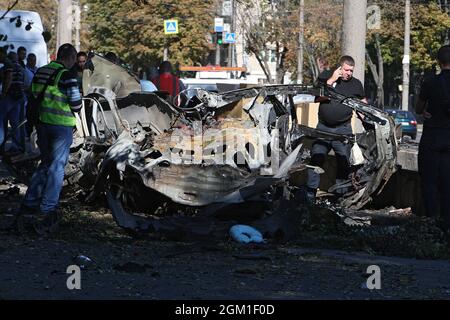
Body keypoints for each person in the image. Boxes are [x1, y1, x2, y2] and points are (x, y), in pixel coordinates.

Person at [19, 43, 82, 234]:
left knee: (45, 163)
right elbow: (77, 105)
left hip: (42, 124)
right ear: (70, 58)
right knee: (57, 166)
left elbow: (32, 94)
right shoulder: (67, 75)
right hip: (60, 126)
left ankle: (30, 201)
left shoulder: (41, 71)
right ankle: (48, 207)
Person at [305, 55, 367, 202]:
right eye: (346, 70)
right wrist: (331, 80)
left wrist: (367, 118)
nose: (349, 73)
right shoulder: (326, 77)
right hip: (323, 128)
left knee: (344, 162)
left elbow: (363, 104)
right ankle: (309, 197)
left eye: (351, 71)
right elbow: (317, 98)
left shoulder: (356, 84)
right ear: (339, 68)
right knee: (316, 158)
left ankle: (340, 199)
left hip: (343, 128)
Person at [415, 45, 450, 232]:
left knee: (429, 182)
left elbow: (418, 108)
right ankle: (447, 226)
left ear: (438, 61)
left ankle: (430, 223)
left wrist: (427, 111)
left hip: (432, 137)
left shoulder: (430, 82)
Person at [0, 51, 26, 154]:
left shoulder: (9, 65)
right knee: (15, 123)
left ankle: (1, 144)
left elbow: (9, 78)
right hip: (18, 97)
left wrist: (4, 92)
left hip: (9, 96)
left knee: (1, 121)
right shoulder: (20, 68)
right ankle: (16, 146)